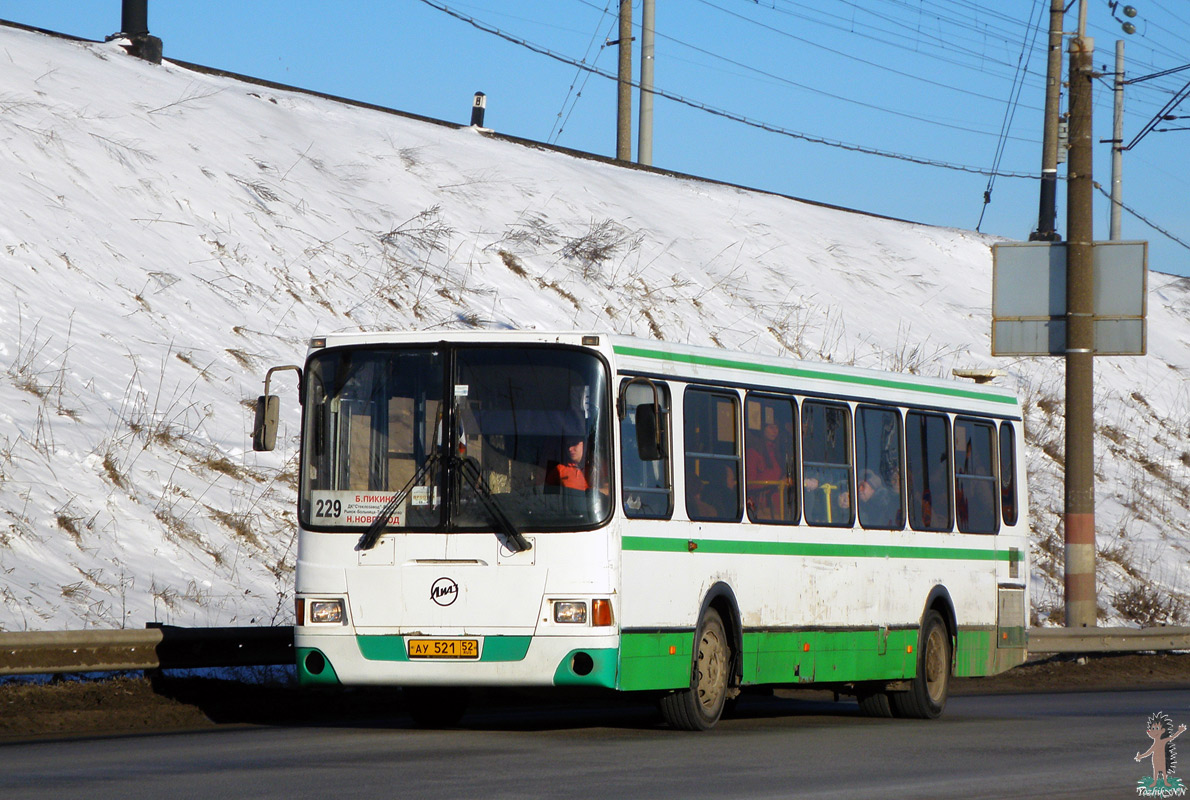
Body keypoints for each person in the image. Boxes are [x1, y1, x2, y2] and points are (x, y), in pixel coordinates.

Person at [746, 423, 792, 520]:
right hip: (763, 505)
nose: (775, 430)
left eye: (776, 427)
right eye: (770, 427)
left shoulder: (778, 451)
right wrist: (774, 485)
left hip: (779, 502)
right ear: (762, 429)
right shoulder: (753, 452)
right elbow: (749, 483)